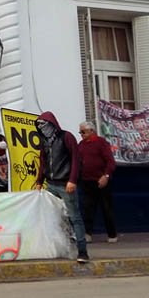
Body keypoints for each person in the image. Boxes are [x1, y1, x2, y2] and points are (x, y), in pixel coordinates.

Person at [34, 111, 89, 263]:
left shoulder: (66, 137)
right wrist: (39, 181)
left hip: (65, 183)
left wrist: (72, 180)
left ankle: (82, 251)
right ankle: (60, 248)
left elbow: (75, 159)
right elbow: (43, 161)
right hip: (50, 183)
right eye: (39, 126)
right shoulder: (44, 141)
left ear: (51, 124)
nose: (42, 128)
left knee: (74, 216)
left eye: (44, 125)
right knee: (54, 217)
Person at [78, 121, 118, 243]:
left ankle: (112, 235)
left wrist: (105, 176)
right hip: (86, 181)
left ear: (91, 131)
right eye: (80, 132)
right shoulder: (81, 145)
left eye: (83, 132)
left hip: (101, 181)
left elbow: (110, 161)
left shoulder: (101, 143)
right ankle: (87, 234)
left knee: (106, 208)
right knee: (87, 209)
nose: (81, 134)